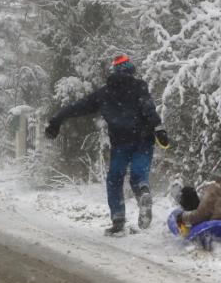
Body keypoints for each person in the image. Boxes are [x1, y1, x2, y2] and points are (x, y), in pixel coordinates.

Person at [45, 54, 170, 235]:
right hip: (143, 140)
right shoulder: (139, 87)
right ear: (130, 70)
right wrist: (158, 128)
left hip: (121, 143)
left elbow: (78, 106)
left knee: (114, 179)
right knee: (138, 174)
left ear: (113, 72)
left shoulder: (104, 93)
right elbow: (148, 107)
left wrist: (57, 119)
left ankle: (118, 222)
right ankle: (143, 193)